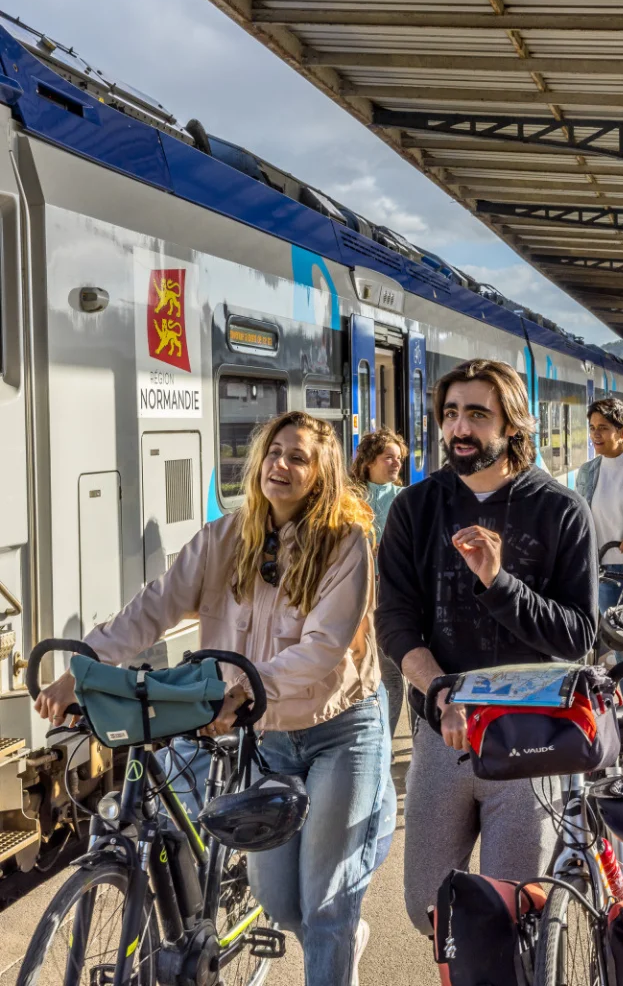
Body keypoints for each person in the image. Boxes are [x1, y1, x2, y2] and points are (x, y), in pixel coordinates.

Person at [34, 411, 390, 986]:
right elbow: (152, 608)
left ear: (321, 475)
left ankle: (337, 938)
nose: (281, 464)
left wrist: (244, 686)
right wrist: (82, 671)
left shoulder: (344, 544)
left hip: (340, 731)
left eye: (298, 457)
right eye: (275, 451)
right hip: (266, 734)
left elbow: (324, 649)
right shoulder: (226, 536)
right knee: (278, 902)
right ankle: (341, 938)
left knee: (326, 902)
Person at [375, 358, 598, 935]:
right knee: (431, 910)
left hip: (531, 742)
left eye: (477, 414)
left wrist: (498, 584)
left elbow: (577, 634)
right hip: (443, 732)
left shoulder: (559, 511)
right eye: (450, 414)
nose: (460, 429)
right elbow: (396, 622)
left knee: (514, 911)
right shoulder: (415, 509)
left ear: (514, 427)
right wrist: (441, 689)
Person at [576, 397, 623, 701]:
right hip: (605, 576)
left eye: (603, 428)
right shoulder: (587, 472)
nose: (595, 434)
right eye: (592, 428)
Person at [352, 428, 408, 741]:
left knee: (391, 674)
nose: (396, 463)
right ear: (370, 461)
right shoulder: (350, 500)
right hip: (355, 601)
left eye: (399, 458)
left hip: (388, 601)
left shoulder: (404, 500)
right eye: (389, 457)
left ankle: (383, 743)